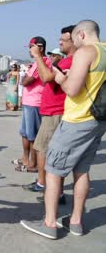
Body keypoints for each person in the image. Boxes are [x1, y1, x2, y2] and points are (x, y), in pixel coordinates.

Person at [21, 20, 106, 240]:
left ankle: (49, 223)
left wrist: (60, 76)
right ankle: (76, 221)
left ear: (81, 34)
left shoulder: (86, 52)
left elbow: (71, 88)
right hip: (98, 120)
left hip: (77, 119)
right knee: (82, 170)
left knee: (54, 172)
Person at [22, 26, 76, 201]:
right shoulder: (67, 61)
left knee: (44, 150)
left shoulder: (67, 61)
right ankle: (51, 187)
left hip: (55, 112)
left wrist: (38, 56)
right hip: (51, 111)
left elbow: (44, 78)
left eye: (63, 40)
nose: (59, 42)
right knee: (46, 149)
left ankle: (46, 186)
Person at [12, 37, 50, 173]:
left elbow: (26, 81)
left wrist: (25, 78)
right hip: (29, 102)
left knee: (33, 136)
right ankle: (26, 159)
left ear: (40, 47)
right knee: (25, 133)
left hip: (35, 103)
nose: (29, 50)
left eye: (31, 47)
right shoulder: (36, 63)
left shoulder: (43, 62)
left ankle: (33, 164)